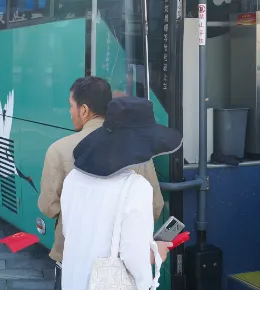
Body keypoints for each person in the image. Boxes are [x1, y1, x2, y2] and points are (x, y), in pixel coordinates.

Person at [39, 76, 165, 290]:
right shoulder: (138, 154)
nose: (70, 112)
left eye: (71, 105)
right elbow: (155, 206)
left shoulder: (59, 150)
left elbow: (48, 207)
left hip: (71, 258)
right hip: (118, 270)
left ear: (84, 110)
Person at [59, 96, 183, 291]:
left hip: (72, 282)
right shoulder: (136, 188)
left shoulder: (73, 178)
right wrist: (156, 253)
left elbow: (70, 232)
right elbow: (134, 257)